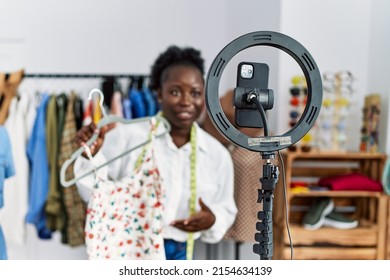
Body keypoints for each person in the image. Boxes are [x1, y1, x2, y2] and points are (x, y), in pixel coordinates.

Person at [73, 46, 237, 260]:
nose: (186, 101)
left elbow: (226, 208)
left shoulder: (216, 154)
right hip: (127, 249)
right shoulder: (127, 137)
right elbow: (94, 194)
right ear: (160, 94)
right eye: (176, 91)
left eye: (195, 93)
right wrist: (90, 157)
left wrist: (213, 219)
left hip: (180, 251)